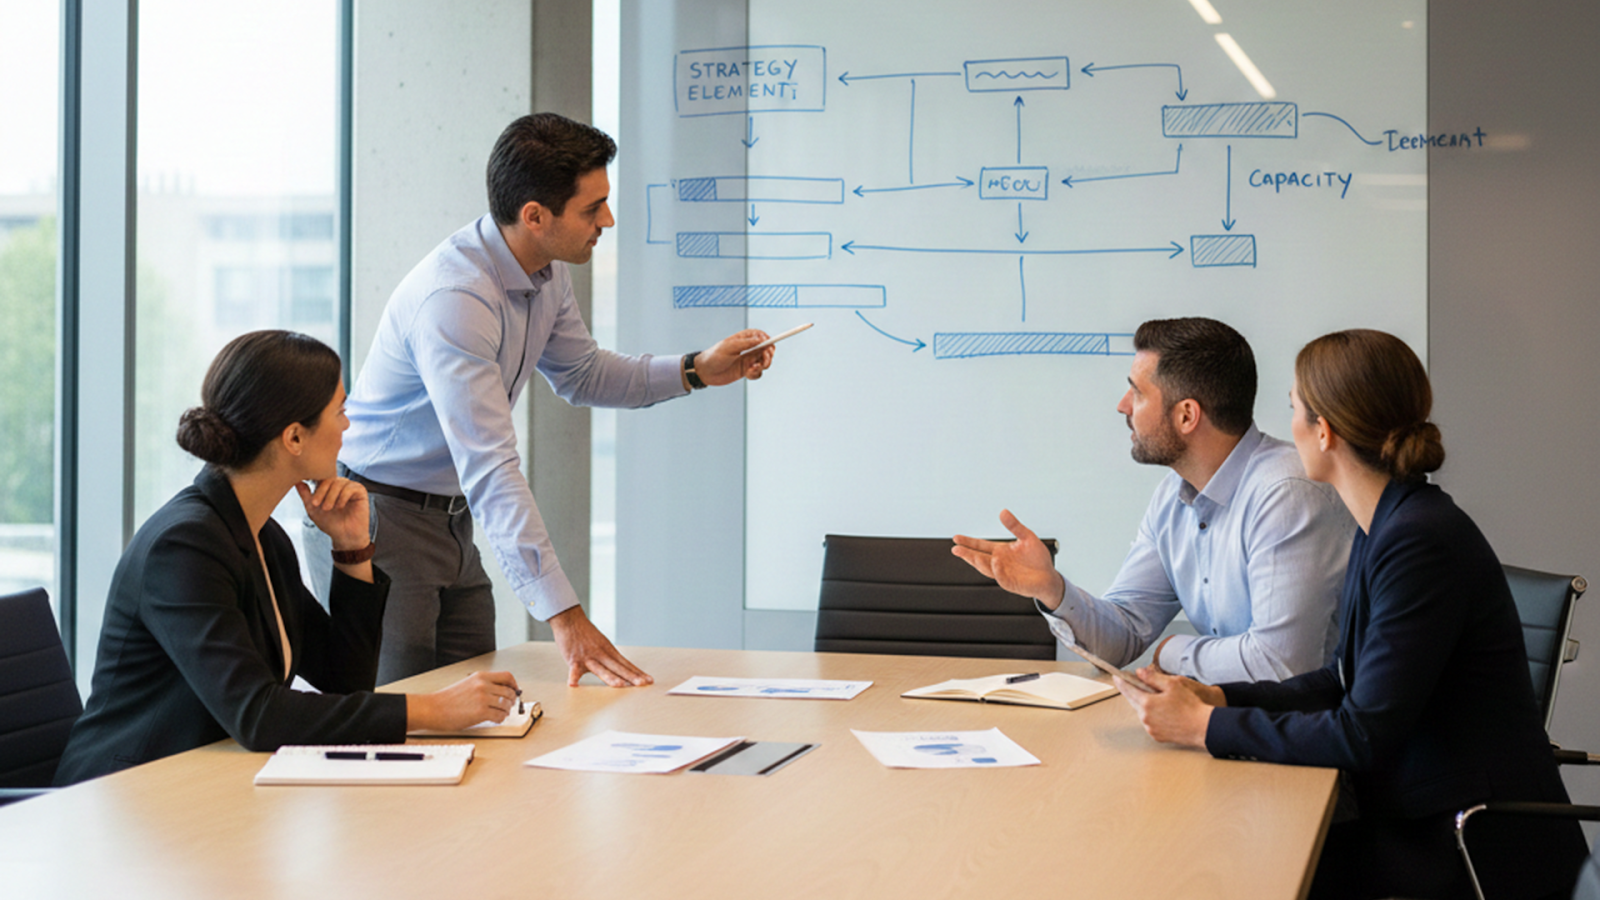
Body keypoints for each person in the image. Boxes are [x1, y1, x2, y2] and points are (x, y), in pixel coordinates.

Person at [305, 112, 777, 687]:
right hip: (379, 520)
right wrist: (565, 615)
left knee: (477, 715)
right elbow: (491, 466)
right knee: (394, 723)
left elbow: (582, 373)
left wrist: (697, 370)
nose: (607, 219)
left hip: (451, 520)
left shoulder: (545, 270)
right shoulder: (457, 300)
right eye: (591, 208)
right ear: (534, 216)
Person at [1116, 329, 1589, 900]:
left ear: (1324, 431)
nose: (1288, 430)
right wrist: (1225, 699)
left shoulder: (1419, 540)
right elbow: (1341, 680)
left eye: (1293, 409)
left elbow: (1363, 733)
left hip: (1467, 843)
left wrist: (1204, 728)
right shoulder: (1388, 521)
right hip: (1418, 811)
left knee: (1235, 868)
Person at [55, 331, 521, 785]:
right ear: (294, 438)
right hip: (121, 796)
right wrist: (435, 710)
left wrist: (351, 548)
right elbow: (257, 714)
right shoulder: (184, 548)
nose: (347, 426)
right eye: (340, 411)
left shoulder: (264, 538)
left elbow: (344, 682)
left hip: (206, 785)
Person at [953, 317, 1354, 683]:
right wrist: (1053, 590)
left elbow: (1280, 664)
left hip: (1306, 742)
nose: (1122, 406)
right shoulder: (1172, 497)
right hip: (1232, 724)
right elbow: (1123, 635)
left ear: (1186, 416)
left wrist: (1171, 652)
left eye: (1137, 392)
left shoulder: (1286, 494)